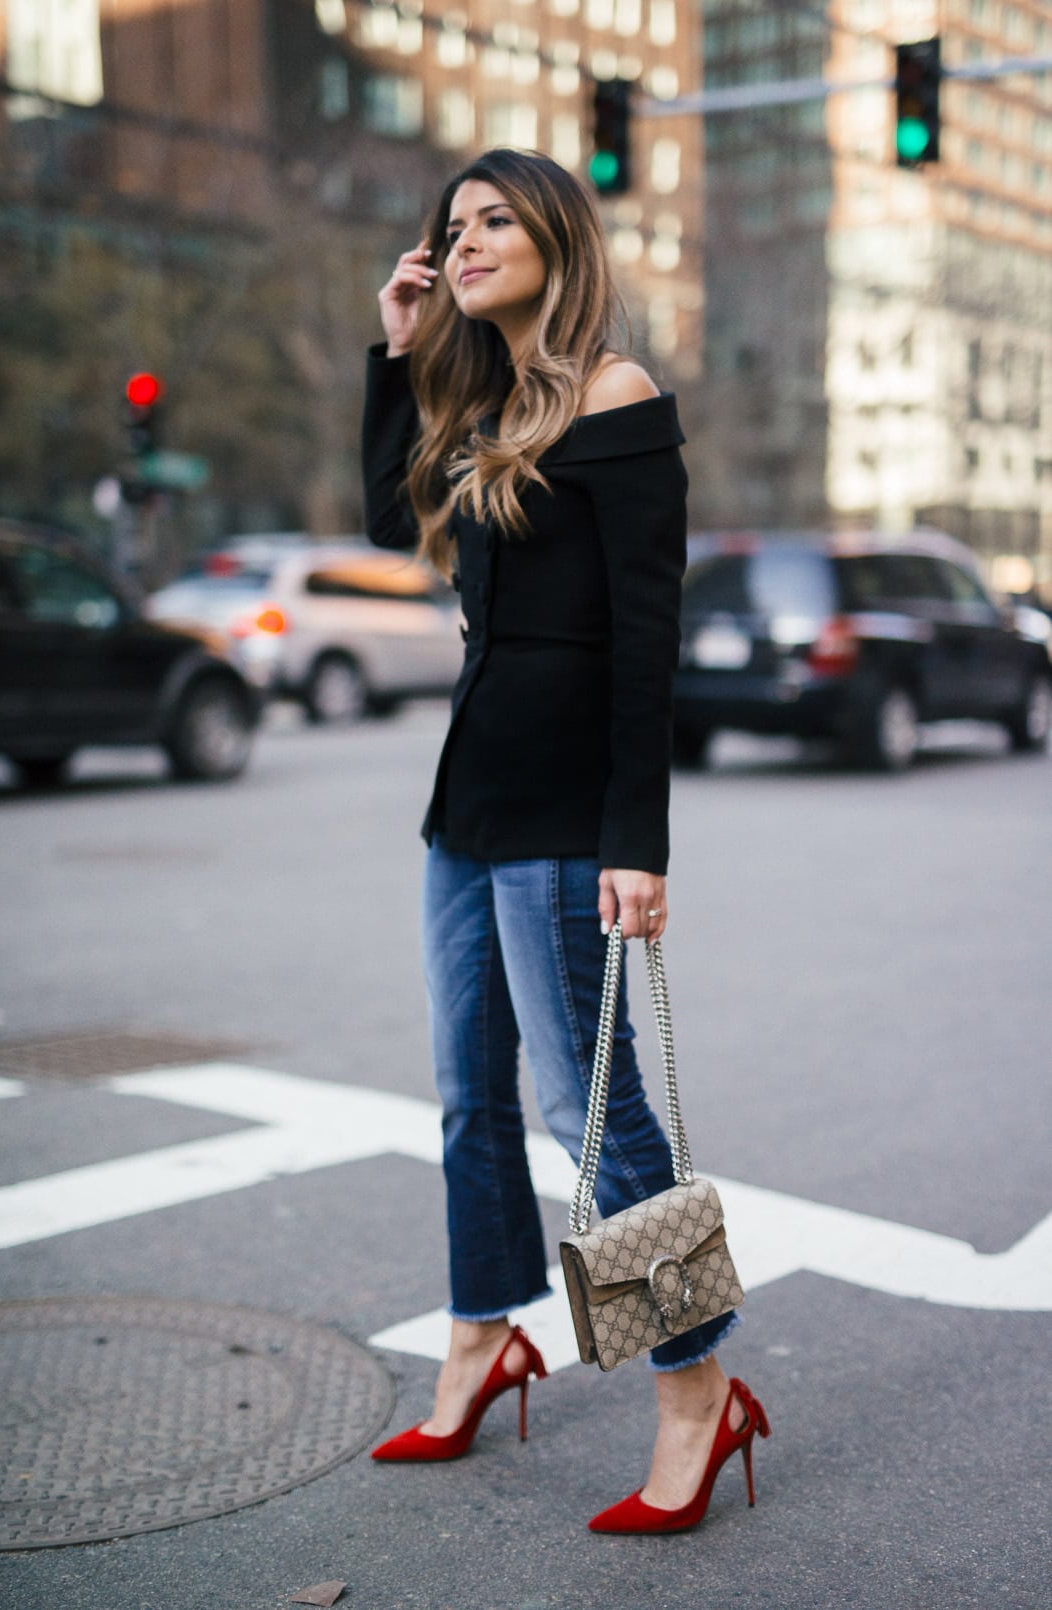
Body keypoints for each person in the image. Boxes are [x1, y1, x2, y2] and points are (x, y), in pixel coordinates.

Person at [361, 148, 768, 1535]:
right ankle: (487, 1333)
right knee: (468, 1093)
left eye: (490, 222)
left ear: (554, 234)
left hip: (560, 811)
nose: (461, 241)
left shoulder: (617, 397)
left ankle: (696, 1383)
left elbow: (644, 639)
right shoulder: (479, 410)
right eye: (449, 228)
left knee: (587, 1110)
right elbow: (384, 526)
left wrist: (637, 841)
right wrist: (394, 350)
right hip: (465, 803)